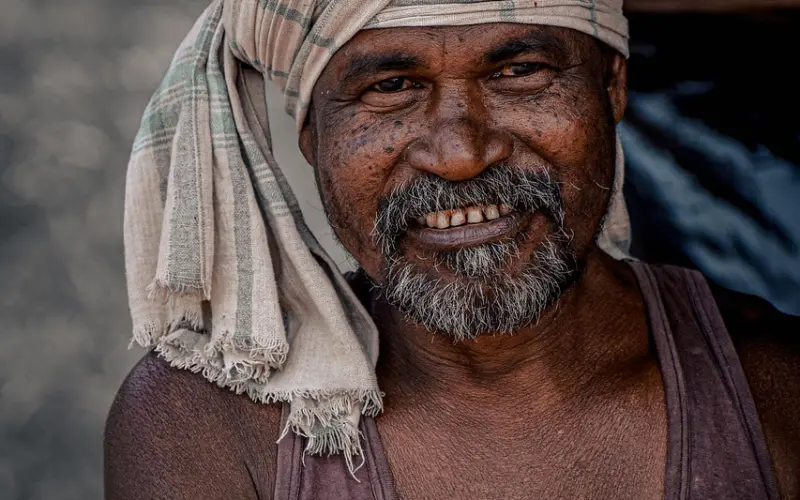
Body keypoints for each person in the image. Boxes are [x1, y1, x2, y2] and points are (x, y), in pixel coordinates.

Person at [104, 1, 800, 499]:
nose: (462, 154)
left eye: (520, 71)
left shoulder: (774, 384)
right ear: (313, 133)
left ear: (611, 87)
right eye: (391, 87)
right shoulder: (204, 426)